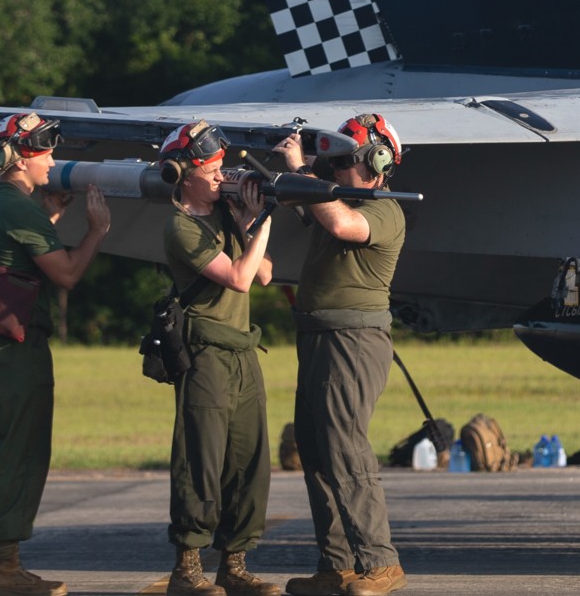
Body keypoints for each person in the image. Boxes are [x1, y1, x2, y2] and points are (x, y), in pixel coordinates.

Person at [0, 113, 112, 596]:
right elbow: (65, 274)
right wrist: (96, 231)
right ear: (19, 158)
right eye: (43, 151)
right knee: (21, 453)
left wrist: (47, 220)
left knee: (0, 448)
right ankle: (6, 567)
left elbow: (8, 257)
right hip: (14, 346)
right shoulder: (17, 207)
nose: (52, 159)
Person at [273, 117, 409, 596]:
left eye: (343, 160)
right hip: (317, 336)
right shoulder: (333, 195)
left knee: (345, 448)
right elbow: (304, 203)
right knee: (315, 451)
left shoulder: (386, 210)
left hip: (352, 341)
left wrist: (302, 171)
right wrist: (289, 175)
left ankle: (380, 562)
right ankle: (337, 566)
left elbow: (339, 222)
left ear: (375, 163)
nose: (333, 168)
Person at [158, 121, 281, 596]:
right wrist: (264, 223)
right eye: (209, 169)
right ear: (182, 174)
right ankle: (187, 568)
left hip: (242, 352)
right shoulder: (181, 227)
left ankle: (235, 563)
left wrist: (250, 220)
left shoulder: (227, 215)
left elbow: (266, 272)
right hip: (205, 353)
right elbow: (239, 278)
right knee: (200, 460)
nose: (218, 176)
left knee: (250, 463)